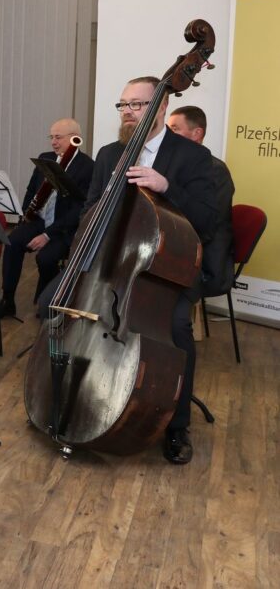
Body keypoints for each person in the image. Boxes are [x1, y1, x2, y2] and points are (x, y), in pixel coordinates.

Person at [82, 76, 217, 464]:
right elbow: (89, 209)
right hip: (115, 263)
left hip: (168, 269)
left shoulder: (191, 157)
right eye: (123, 105)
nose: (128, 112)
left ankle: (176, 426)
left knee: (175, 326)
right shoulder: (110, 154)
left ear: (160, 106)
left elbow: (208, 221)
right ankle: (89, 397)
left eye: (137, 104)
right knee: (55, 308)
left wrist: (166, 186)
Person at [0, 118, 93, 320]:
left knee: (45, 258)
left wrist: (47, 235)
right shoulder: (46, 158)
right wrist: (25, 215)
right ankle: (7, 300)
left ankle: (46, 300)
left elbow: (79, 210)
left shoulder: (87, 166)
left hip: (64, 229)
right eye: (51, 137)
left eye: (58, 137)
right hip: (40, 220)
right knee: (12, 242)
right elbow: (31, 189)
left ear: (74, 138)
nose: (53, 142)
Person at [167, 105, 235, 297]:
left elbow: (205, 225)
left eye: (175, 129)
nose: (168, 135)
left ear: (197, 133)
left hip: (205, 260)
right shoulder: (179, 164)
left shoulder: (216, 171)